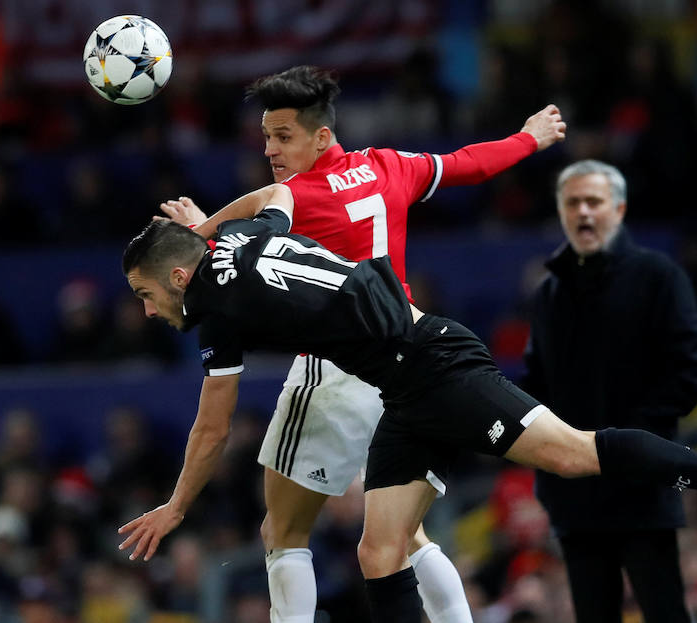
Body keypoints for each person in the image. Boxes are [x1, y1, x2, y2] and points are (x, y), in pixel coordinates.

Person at [117, 187, 697, 623]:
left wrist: (177, 507)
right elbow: (279, 196)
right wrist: (209, 221)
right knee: (381, 551)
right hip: (404, 386)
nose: (149, 311)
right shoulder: (235, 240)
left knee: (575, 454)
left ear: (181, 276)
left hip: (437, 366)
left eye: (148, 294)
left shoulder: (218, 309)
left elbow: (212, 428)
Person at [156, 64, 567, 623]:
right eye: (266, 137)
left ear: (321, 135)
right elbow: (468, 164)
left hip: (336, 369)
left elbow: (236, 236)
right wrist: (528, 139)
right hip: (411, 358)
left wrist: (200, 231)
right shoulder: (387, 166)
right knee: (408, 534)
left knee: (282, 529)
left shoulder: (293, 197)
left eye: (283, 136)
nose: (271, 149)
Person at [520, 159, 697, 622]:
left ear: (619, 209)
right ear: (561, 211)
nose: (584, 212)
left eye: (594, 202)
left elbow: (690, 372)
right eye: (572, 203)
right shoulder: (548, 295)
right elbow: (534, 386)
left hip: (643, 486)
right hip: (573, 495)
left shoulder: (659, 277)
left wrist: (633, 445)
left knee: (666, 612)